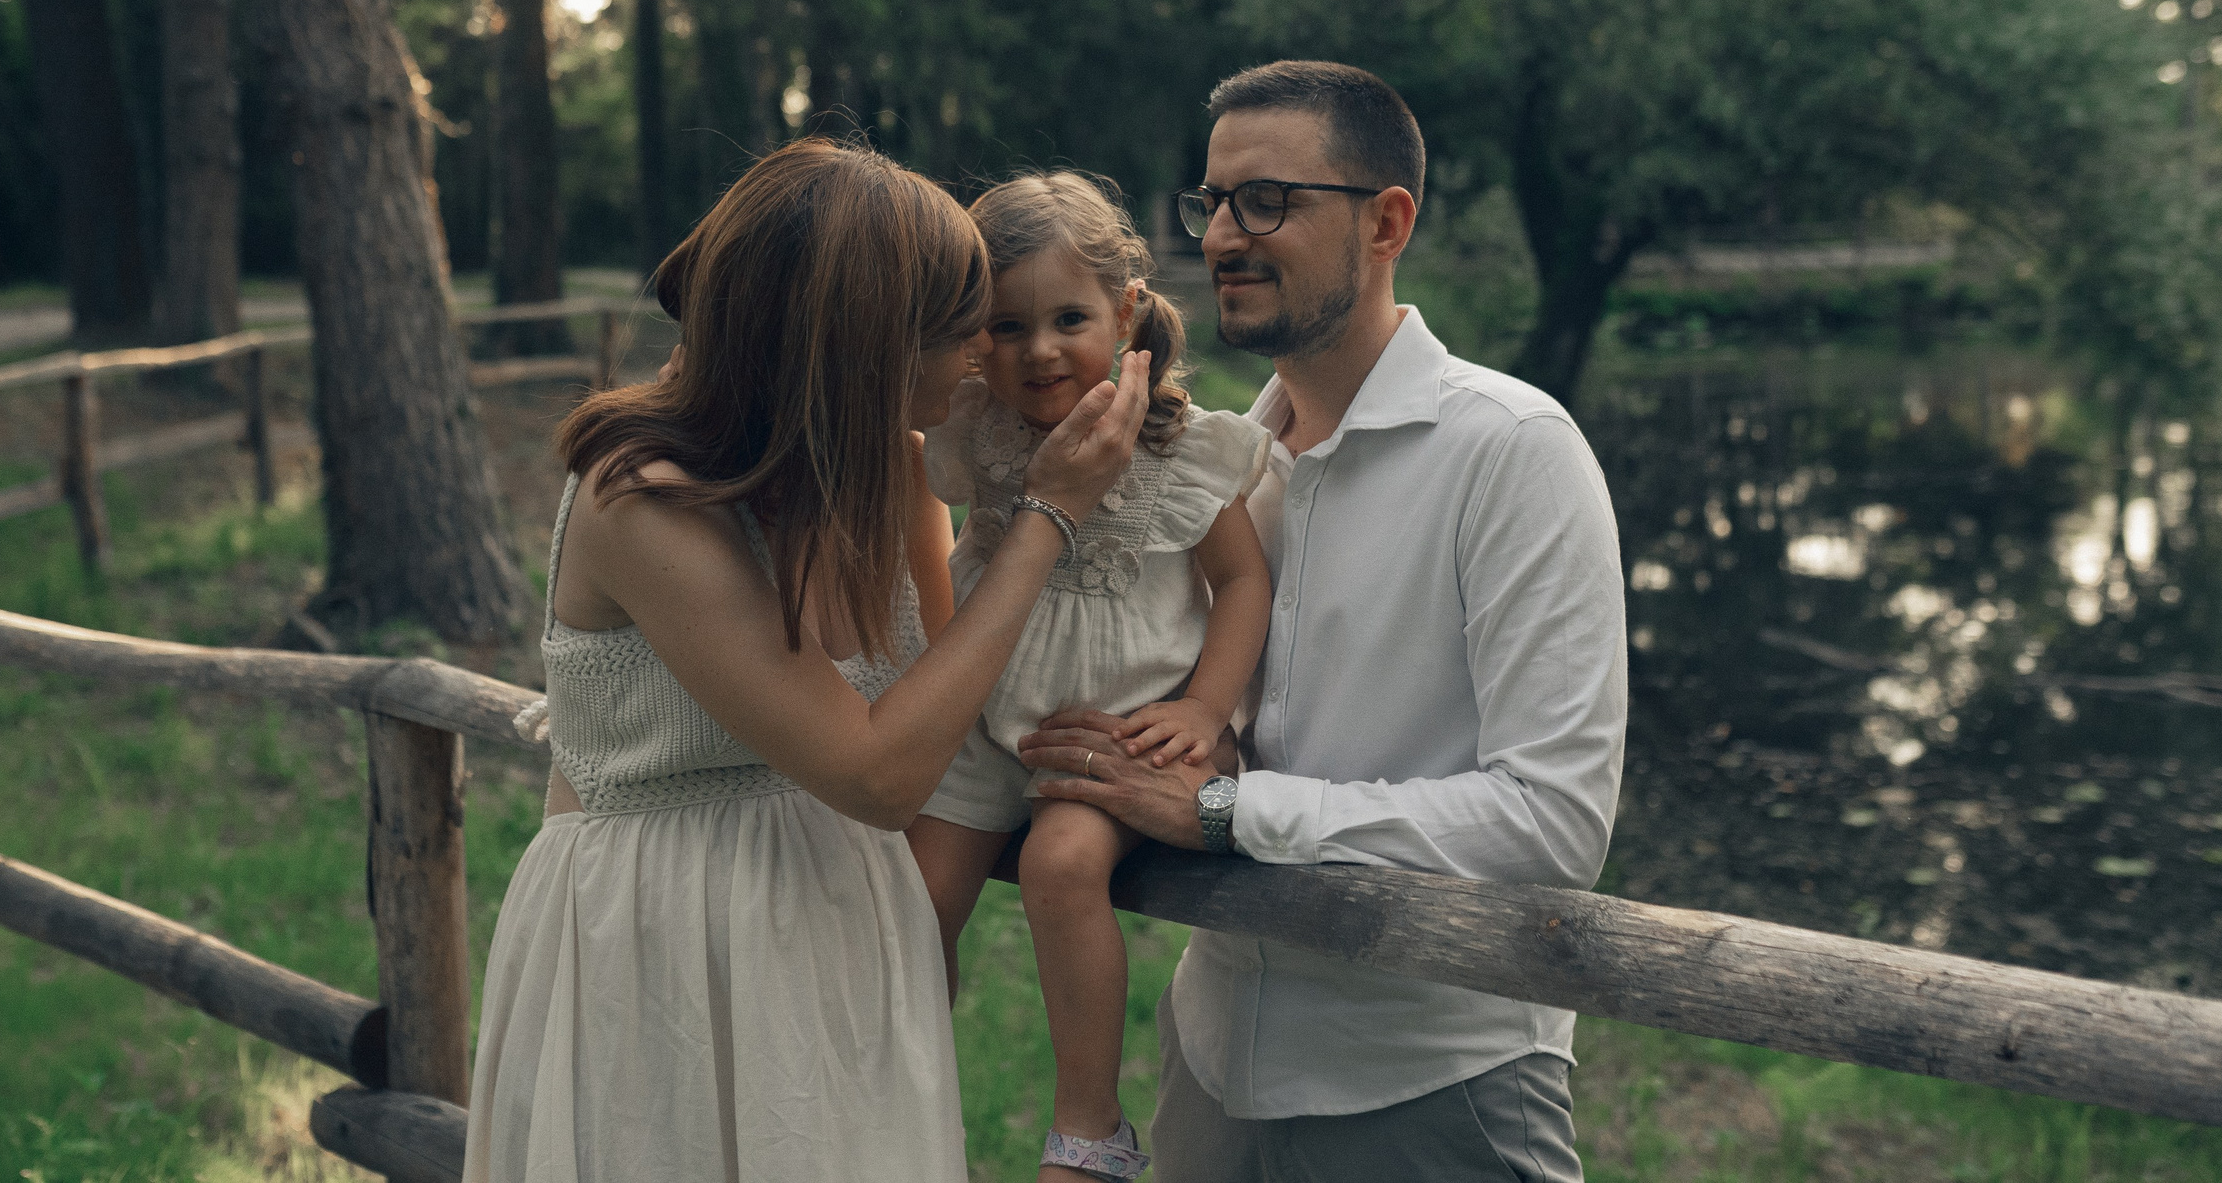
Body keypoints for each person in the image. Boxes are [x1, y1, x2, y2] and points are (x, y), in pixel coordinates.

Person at [463, 139, 1152, 1183]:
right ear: (860, 342)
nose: (979, 346)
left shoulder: (883, 465)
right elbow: (876, 773)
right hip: (666, 948)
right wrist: (1050, 517)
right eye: (951, 325)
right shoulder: (639, 494)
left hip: (846, 925)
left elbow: (952, 693)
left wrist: (1160, 734)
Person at [1018, 62, 1628, 1182]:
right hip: (1209, 1073)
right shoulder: (1204, 469)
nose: (1223, 236)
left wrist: (1224, 812)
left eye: (1269, 200)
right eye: (1212, 203)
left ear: (1387, 220)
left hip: (1432, 1088)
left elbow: (1552, 824)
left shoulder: (1513, 450)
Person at [905, 172, 1273, 1183]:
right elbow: (936, 551)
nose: (1038, 350)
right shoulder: (972, 429)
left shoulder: (1179, 444)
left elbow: (1242, 583)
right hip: (987, 723)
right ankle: (900, 1098)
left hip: (1113, 735)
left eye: (1068, 318)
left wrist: (1203, 709)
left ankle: (1088, 1128)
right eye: (1004, 325)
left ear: (1121, 312)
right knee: (909, 888)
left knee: (1059, 866)